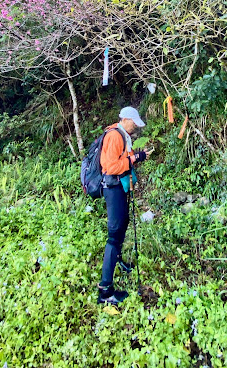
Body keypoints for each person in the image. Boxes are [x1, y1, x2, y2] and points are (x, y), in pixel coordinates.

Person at [97, 106, 148, 305]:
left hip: (121, 187)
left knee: (123, 224)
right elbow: (110, 167)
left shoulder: (123, 135)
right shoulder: (115, 136)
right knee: (114, 233)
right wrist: (135, 158)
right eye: (134, 123)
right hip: (113, 188)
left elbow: (122, 160)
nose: (135, 126)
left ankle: (118, 260)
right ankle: (105, 290)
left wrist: (136, 157)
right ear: (126, 119)